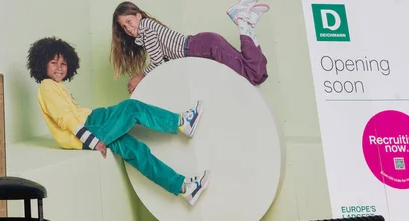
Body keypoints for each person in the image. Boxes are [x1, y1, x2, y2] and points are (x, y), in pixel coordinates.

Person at [26, 37, 211, 206]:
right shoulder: (47, 87)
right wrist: (92, 141)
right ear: (42, 64)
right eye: (53, 63)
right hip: (89, 128)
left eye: (63, 63)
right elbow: (66, 119)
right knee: (132, 109)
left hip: (93, 122)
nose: (59, 67)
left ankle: (184, 188)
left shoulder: (57, 86)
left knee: (137, 151)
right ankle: (180, 122)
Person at [110, 0, 270, 94]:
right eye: (124, 27)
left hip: (206, 47)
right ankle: (247, 25)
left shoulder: (146, 28)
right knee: (258, 74)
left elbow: (158, 62)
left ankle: (241, 19)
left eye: (129, 21)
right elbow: (164, 64)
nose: (128, 28)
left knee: (252, 76)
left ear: (138, 15)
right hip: (206, 46)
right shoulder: (145, 30)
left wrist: (140, 76)